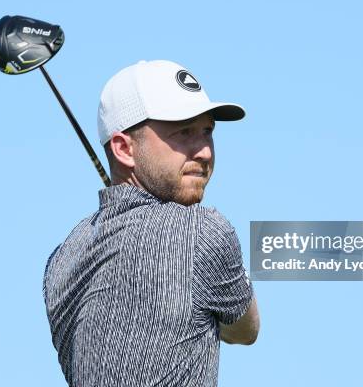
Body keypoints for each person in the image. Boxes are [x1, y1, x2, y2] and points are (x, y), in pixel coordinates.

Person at [43, 60, 259, 387]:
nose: (203, 151)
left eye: (207, 131)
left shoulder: (63, 258)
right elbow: (246, 330)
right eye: (183, 132)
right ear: (124, 149)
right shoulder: (202, 230)